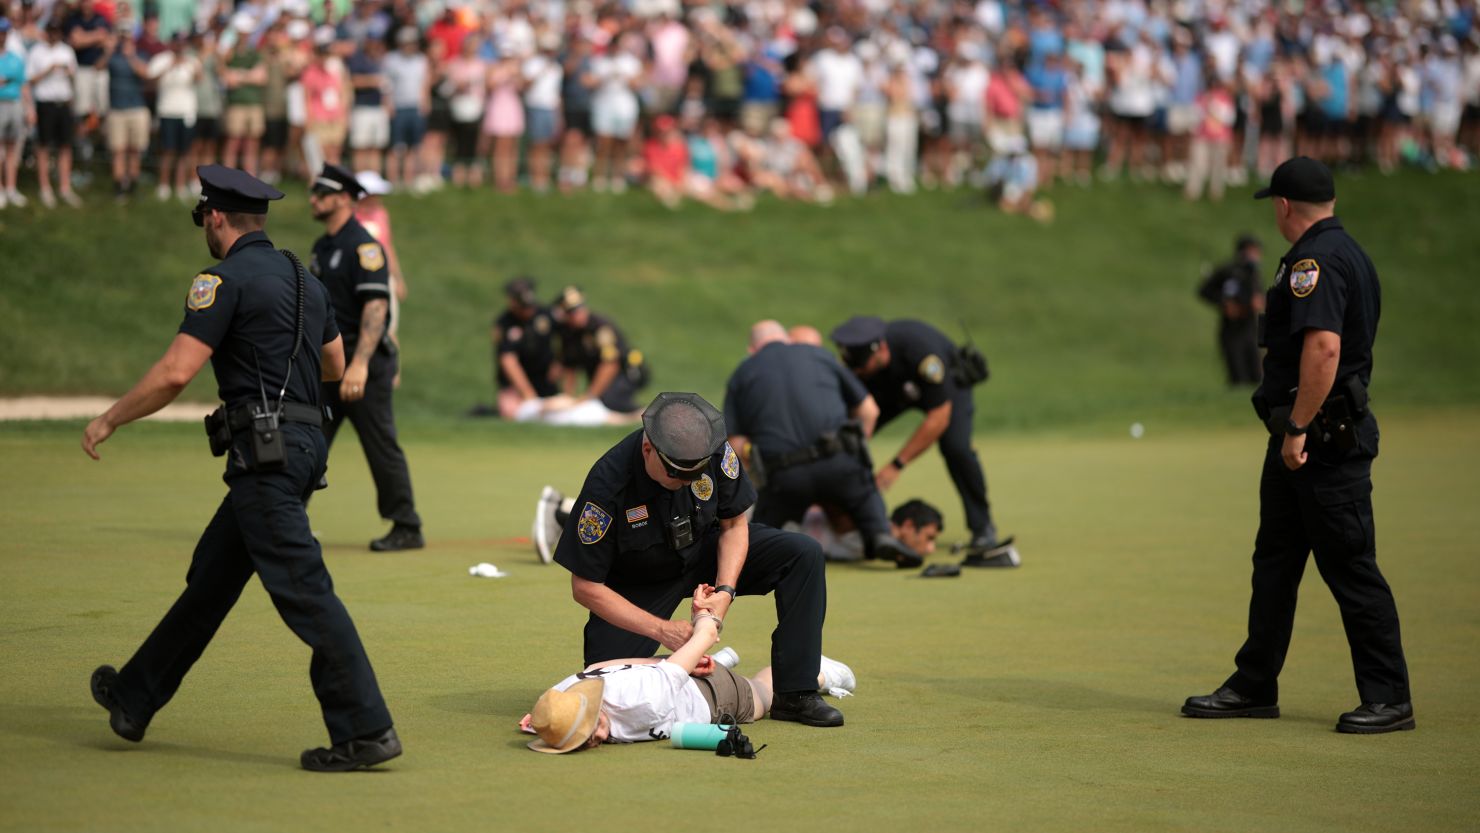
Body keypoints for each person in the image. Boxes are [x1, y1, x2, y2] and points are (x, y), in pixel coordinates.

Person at [81, 164, 401, 772]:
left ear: (217, 217)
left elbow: (177, 372)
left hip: (266, 455)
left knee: (307, 594)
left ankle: (366, 729)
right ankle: (135, 695)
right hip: (305, 448)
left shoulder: (219, 280)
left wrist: (111, 418)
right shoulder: (305, 279)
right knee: (213, 576)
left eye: (204, 217)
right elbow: (333, 365)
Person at [1183, 157, 1414, 734]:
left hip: (1320, 441)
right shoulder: (1348, 252)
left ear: (1284, 206)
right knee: (1276, 564)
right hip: (1308, 436)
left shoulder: (1315, 261)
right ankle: (1254, 684)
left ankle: (1389, 697)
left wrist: (1297, 430)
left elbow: (1324, 351)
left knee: (1351, 568)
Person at [554, 392, 844, 727]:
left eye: (695, 474)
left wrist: (726, 590)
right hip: (640, 580)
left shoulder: (714, 449)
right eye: (677, 474)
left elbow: (734, 523)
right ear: (648, 449)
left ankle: (795, 692)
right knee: (607, 682)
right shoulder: (607, 486)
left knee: (802, 553)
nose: (686, 483)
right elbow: (585, 586)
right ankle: (694, 664)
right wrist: (663, 631)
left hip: (702, 551)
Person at [522, 588, 856, 753]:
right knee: (676, 669)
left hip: (714, 698)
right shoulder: (569, 691)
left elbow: (707, 634)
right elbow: (600, 667)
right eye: (580, 741)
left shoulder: (643, 701)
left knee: (764, 695)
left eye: (589, 730)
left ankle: (820, 672)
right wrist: (543, 720)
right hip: (671, 676)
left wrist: (703, 618)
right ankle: (702, 665)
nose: (595, 738)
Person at [723, 320, 920, 568]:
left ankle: (755, 550)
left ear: (752, 350)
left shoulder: (742, 373)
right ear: (787, 339)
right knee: (864, 494)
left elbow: (736, 444)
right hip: (838, 464)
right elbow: (869, 411)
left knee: (764, 525)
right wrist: (854, 450)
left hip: (785, 476)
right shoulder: (819, 355)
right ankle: (879, 534)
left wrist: (758, 468)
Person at [830, 316, 1018, 567]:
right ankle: (839, 518)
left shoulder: (921, 354)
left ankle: (982, 526)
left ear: (881, 349)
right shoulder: (862, 364)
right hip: (890, 389)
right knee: (846, 438)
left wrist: (896, 465)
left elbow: (939, 417)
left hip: (946, 389)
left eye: (862, 368)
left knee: (956, 448)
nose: (858, 373)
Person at [309, 164, 424, 552]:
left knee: (380, 444)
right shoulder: (324, 246)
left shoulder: (364, 247)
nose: (313, 200)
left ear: (343, 198)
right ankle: (286, 518)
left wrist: (358, 364)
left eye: (321, 194)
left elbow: (376, 307)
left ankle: (407, 526)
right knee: (308, 440)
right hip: (329, 366)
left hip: (364, 364)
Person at [553, 286, 648, 415]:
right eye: (572, 312)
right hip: (602, 374)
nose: (578, 315)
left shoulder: (598, 326)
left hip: (628, 371)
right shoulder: (568, 333)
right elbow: (570, 367)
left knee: (607, 400)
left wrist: (590, 396)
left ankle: (641, 414)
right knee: (598, 402)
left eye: (580, 309)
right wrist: (568, 400)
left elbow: (610, 364)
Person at [1198, 234, 1264, 386]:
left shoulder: (1253, 273)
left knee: (1256, 373)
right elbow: (1204, 291)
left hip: (1250, 327)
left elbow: (1258, 295)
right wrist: (1224, 303)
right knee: (1237, 373)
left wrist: (1259, 300)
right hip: (1231, 329)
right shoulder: (1227, 271)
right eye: (1253, 251)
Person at [28, 20, 81, 208]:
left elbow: (75, 75)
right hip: (45, 104)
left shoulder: (66, 51)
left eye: (57, 31)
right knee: (43, 147)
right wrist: (48, 70)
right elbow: (30, 80)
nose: (53, 34)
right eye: (51, 31)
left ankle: (64, 187)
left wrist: (68, 72)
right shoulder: (37, 51)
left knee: (65, 146)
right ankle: (45, 188)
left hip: (64, 103)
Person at [492, 276, 559, 419]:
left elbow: (566, 339)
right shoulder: (504, 323)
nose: (528, 311)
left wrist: (558, 363)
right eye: (523, 307)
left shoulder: (546, 315)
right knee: (511, 412)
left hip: (545, 381)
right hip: (515, 385)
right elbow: (508, 361)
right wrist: (528, 394)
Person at [0, 18, 28, 209]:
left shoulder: (16, 58)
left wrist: (30, 108)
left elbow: (23, 85)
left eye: (4, 32)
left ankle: (11, 187)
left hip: (15, 104)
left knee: (12, 148)